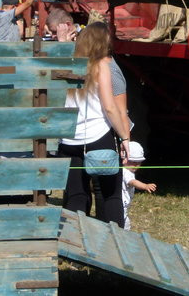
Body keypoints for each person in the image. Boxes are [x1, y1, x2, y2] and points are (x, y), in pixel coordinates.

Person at [58, 23, 132, 227]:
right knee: (110, 195)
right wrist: (125, 137)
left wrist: (62, 41)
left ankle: (73, 244)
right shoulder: (101, 66)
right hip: (98, 137)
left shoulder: (70, 63)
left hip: (68, 137)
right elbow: (109, 107)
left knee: (75, 195)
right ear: (103, 41)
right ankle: (112, 243)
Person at [121, 141, 156, 230]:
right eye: (133, 162)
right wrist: (145, 186)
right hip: (121, 205)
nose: (136, 165)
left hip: (124, 204)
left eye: (139, 162)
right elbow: (133, 182)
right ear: (124, 159)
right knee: (125, 225)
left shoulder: (128, 170)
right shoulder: (125, 172)